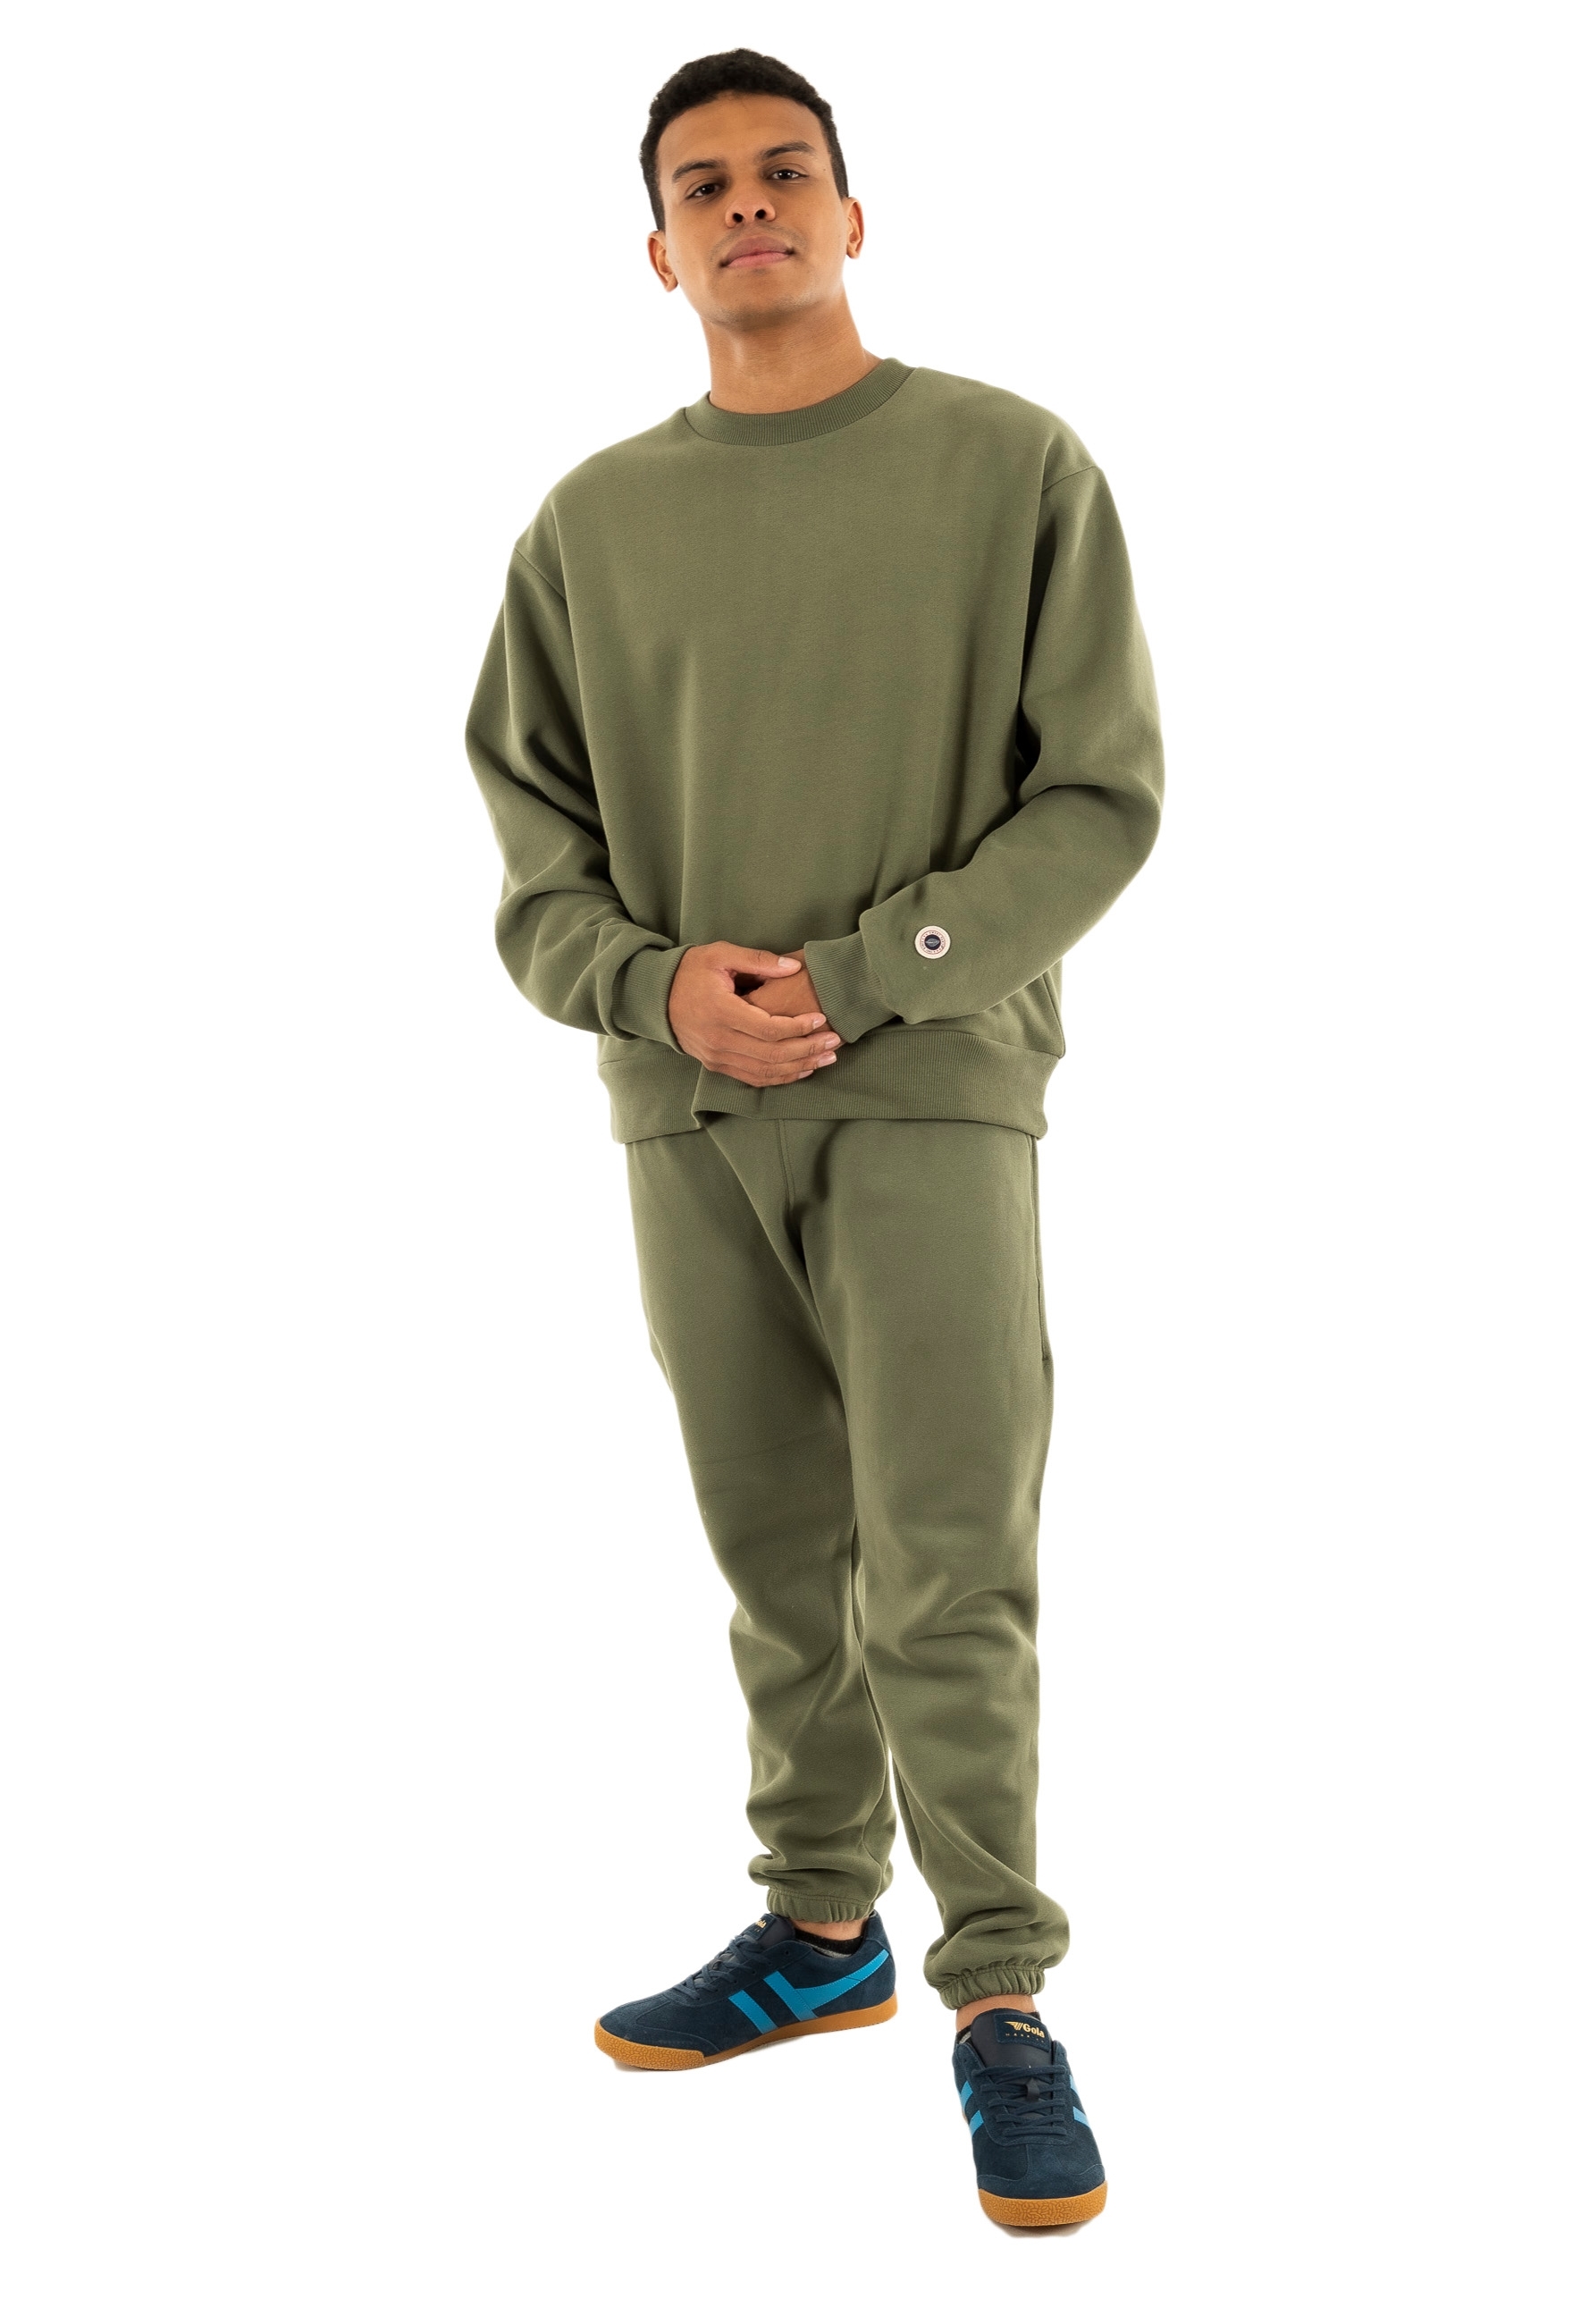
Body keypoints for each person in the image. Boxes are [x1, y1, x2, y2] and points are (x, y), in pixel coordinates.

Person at [466, 47, 1162, 2229]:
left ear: (854, 217)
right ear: (656, 250)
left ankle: (1001, 1997)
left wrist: (875, 971)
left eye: (787, 173)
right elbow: (534, 861)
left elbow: (1098, 796)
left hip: (931, 1086)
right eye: (706, 186)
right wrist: (654, 984)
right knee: (778, 1551)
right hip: (685, 1114)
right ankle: (821, 1924)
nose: (748, 206)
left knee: (945, 1556)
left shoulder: (1009, 466)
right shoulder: (589, 528)